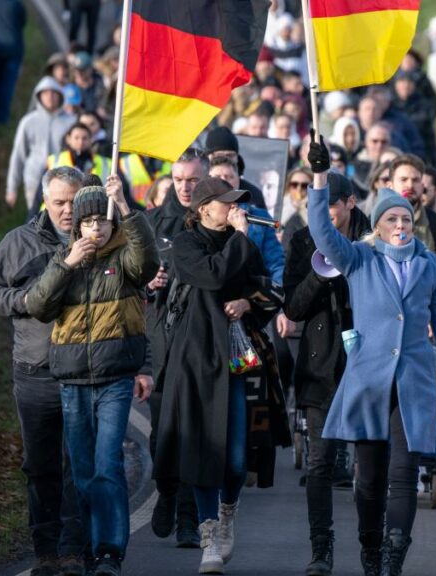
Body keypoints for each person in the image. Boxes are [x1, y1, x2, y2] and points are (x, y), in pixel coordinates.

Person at [305, 138, 436, 576]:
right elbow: (323, 233)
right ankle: (369, 546)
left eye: (405, 217)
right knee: (369, 479)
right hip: (369, 382)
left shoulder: (426, 266)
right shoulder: (359, 259)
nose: (400, 224)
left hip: (414, 383)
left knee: (405, 472)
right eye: (392, 218)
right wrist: (319, 179)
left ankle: (392, 558)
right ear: (379, 225)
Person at [153, 178, 288, 574]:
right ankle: (208, 533)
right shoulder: (185, 243)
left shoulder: (240, 242)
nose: (234, 209)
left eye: (236, 203)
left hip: (236, 358)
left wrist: (249, 302)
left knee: (234, 457)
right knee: (203, 451)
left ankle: (228, 513)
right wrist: (243, 240)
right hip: (196, 362)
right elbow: (212, 275)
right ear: (204, 208)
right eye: (226, 203)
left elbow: (267, 288)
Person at [25, 177, 159, 576]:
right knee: (81, 470)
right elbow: (37, 306)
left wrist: (127, 208)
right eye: (89, 222)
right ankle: (80, 548)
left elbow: (148, 262)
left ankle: (108, 551)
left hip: (115, 378)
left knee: (106, 466)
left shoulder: (124, 257)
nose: (96, 229)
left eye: (103, 220)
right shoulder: (63, 258)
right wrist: (66, 266)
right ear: (77, 226)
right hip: (71, 381)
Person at [0, 166, 88, 576]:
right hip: (34, 372)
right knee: (41, 465)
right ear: (45, 201)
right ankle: (44, 551)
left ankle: (75, 549)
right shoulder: (17, 241)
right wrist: (24, 300)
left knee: (79, 462)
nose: (67, 210)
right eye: (59, 202)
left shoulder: (97, 239)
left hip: (82, 370)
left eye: (74, 201)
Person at [283, 172, 372, 576]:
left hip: (368, 365)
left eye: (330, 206)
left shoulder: (376, 237)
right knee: (319, 463)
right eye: (316, 207)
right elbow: (293, 308)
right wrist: (320, 273)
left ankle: (372, 548)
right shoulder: (303, 242)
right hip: (321, 367)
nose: (323, 213)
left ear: (350, 203)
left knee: (370, 469)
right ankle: (322, 547)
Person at [144, 148, 208, 548]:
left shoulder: (212, 222)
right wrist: (149, 283)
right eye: (179, 179)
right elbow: (130, 278)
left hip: (200, 342)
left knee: (193, 432)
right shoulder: (153, 223)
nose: (186, 188)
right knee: (162, 432)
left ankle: (188, 515)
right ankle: (166, 492)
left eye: (193, 180)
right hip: (161, 343)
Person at [389, 154, 436, 310]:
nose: (410, 185)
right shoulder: (374, 223)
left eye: (416, 180)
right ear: (390, 186)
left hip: (428, 317)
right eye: (403, 180)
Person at [208, 155, 284, 285]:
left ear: (238, 180)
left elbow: (275, 263)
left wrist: (274, 295)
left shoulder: (260, 217)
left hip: (254, 293)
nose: (224, 181)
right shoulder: (199, 216)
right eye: (217, 178)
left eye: (229, 177)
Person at [7, 76, 77, 210]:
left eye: (53, 93)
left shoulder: (71, 122)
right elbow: (18, 155)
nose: (50, 97)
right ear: (38, 96)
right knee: (37, 218)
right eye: (45, 93)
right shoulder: (28, 122)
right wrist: (12, 188)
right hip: (34, 178)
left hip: (64, 178)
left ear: (60, 95)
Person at [205, 126, 268, 209]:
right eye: (218, 156)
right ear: (207, 157)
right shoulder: (194, 190)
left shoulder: (252, 196)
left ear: (237, 158)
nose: (225, 160)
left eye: (230, 155)